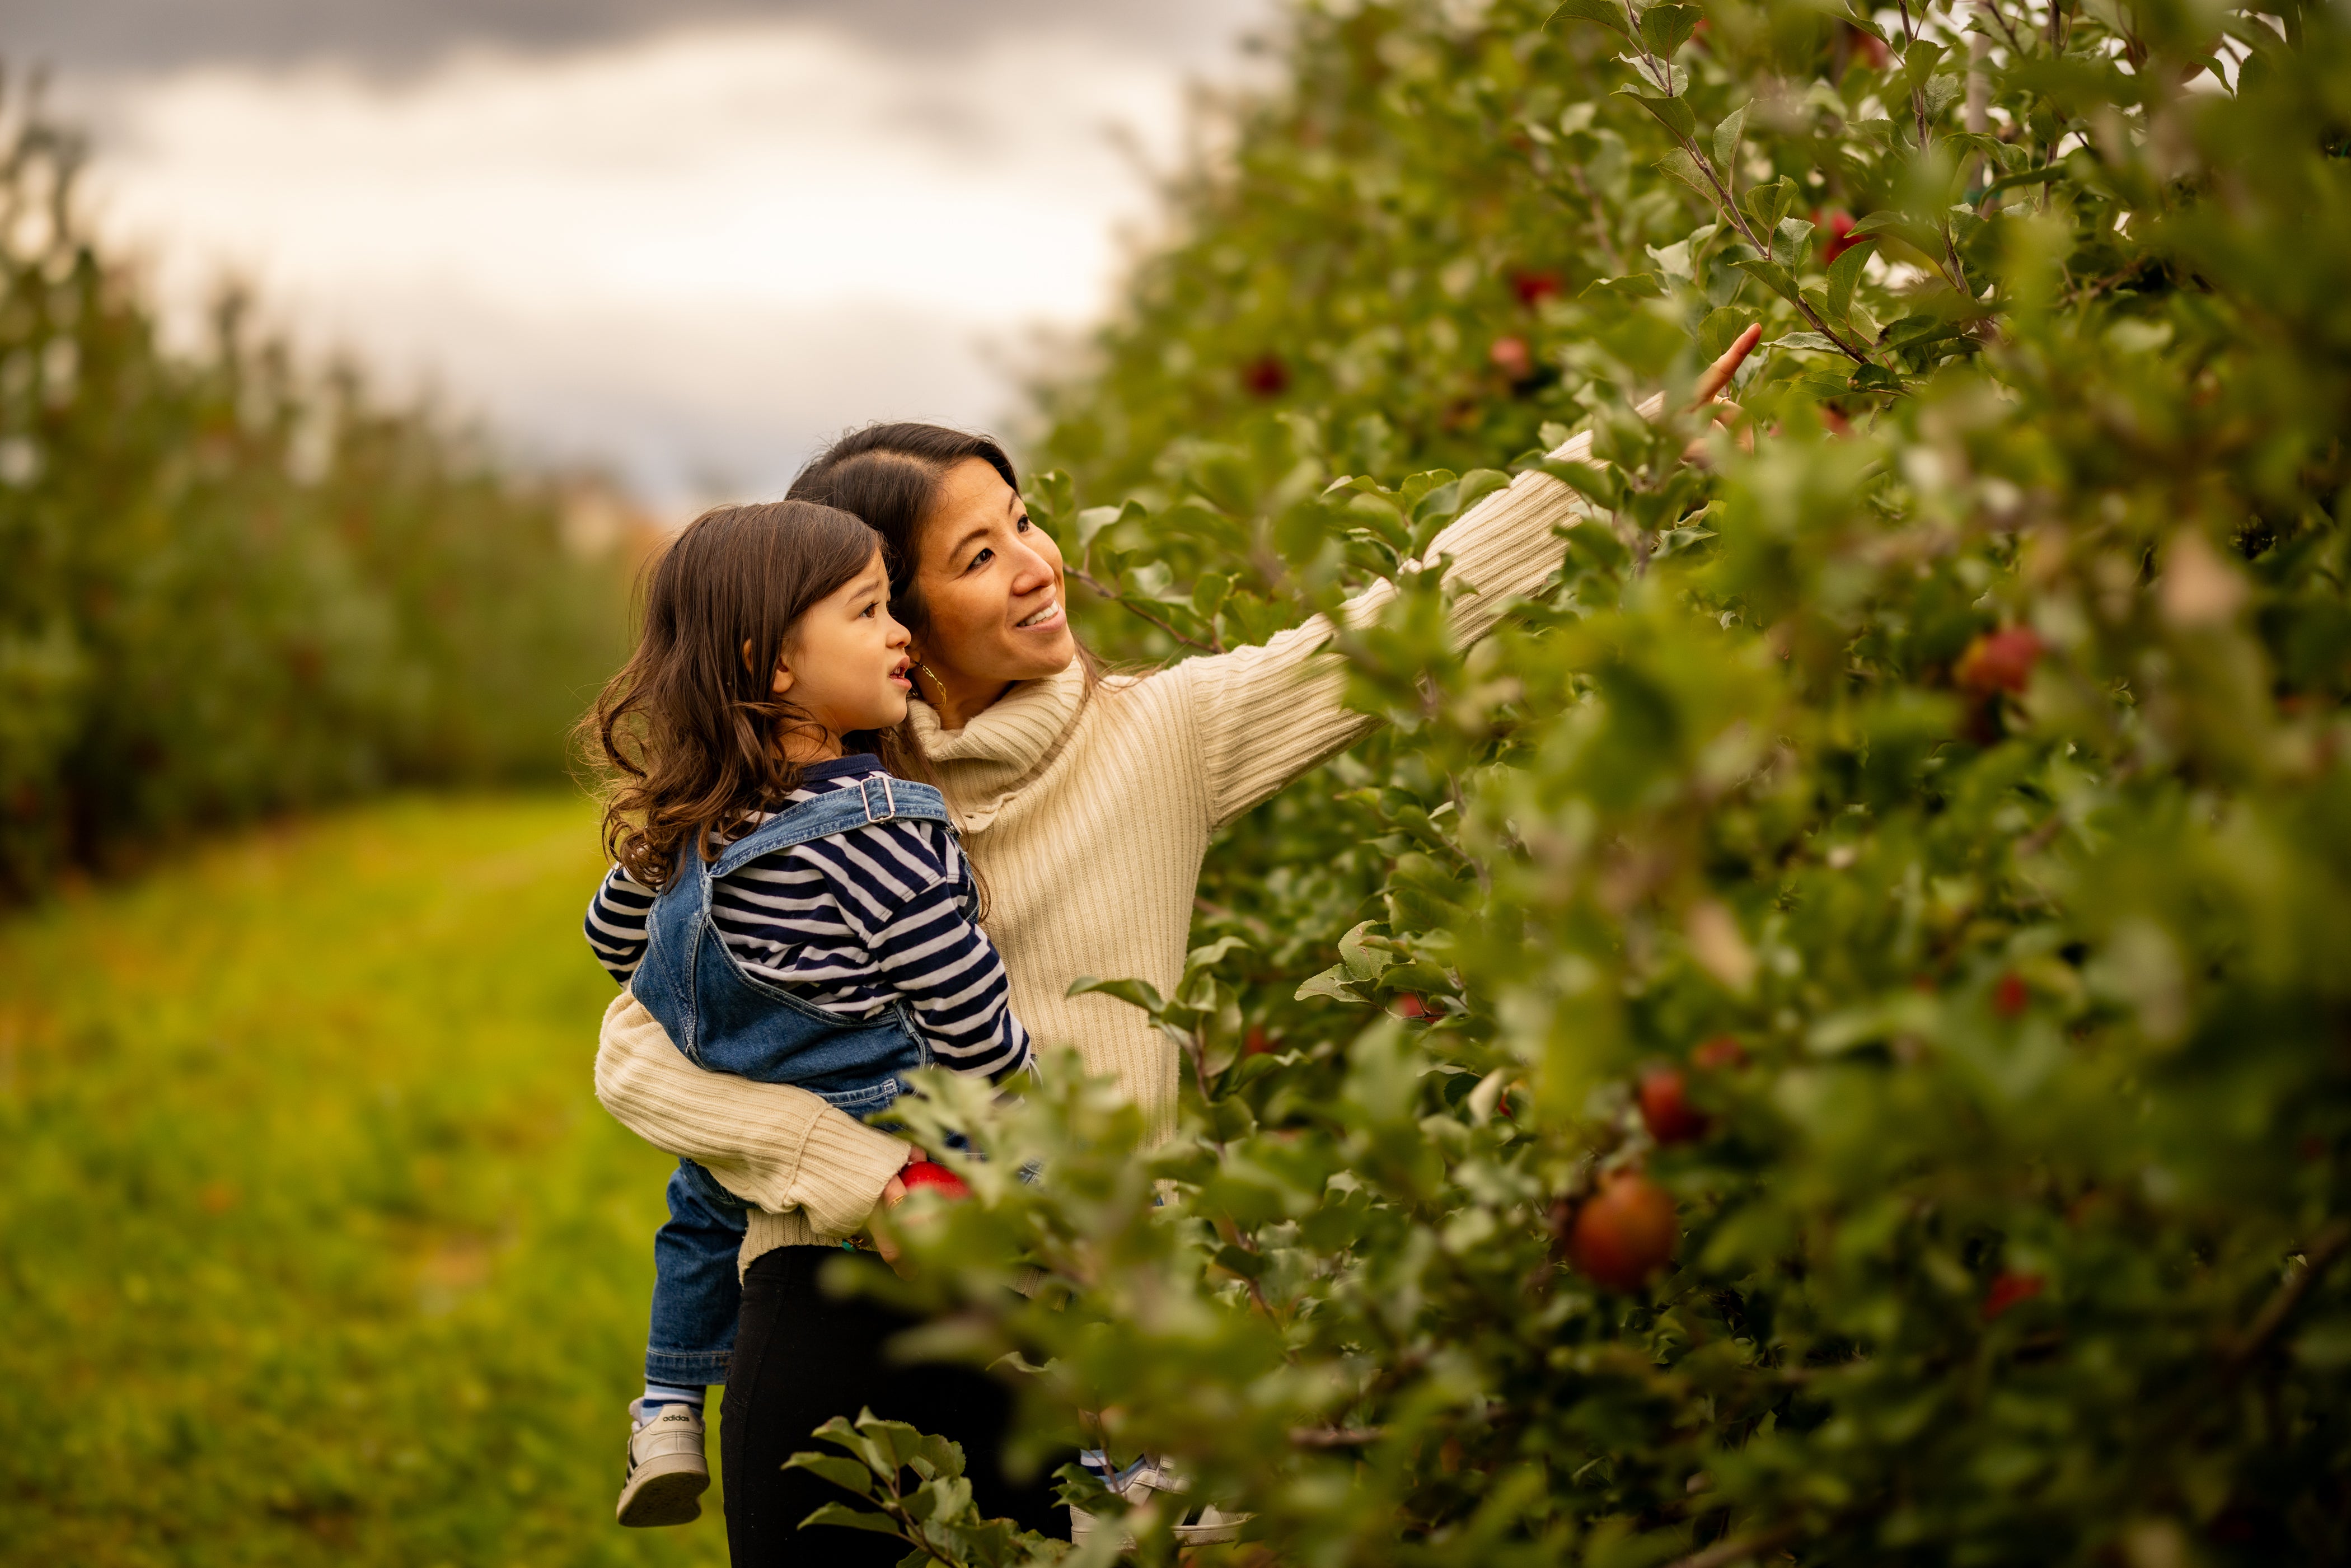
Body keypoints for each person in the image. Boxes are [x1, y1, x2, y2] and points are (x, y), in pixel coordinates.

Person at [591, 330, 1764, 1561]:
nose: (1041, 568)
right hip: (833, 1314)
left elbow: (1410, 605)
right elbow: (635, 1049)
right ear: (875, 614)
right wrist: (868, 1181)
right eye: (978, 557)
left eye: (1025, 524)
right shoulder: (782, 812)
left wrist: (1634, 448)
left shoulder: (1162, 738)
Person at [578, 499, 1034, 1529]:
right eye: (871, 612)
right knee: (1069, 1238)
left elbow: (614, 946)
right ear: (774, 666)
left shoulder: (685, 828)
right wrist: (1027, 1128)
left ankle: (666, 1409)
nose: (901, 632)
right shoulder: (883, 832)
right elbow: (971, 1021)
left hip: (763, 1147)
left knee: (696, 1214)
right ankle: (1121, 1449)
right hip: (904, 1125)